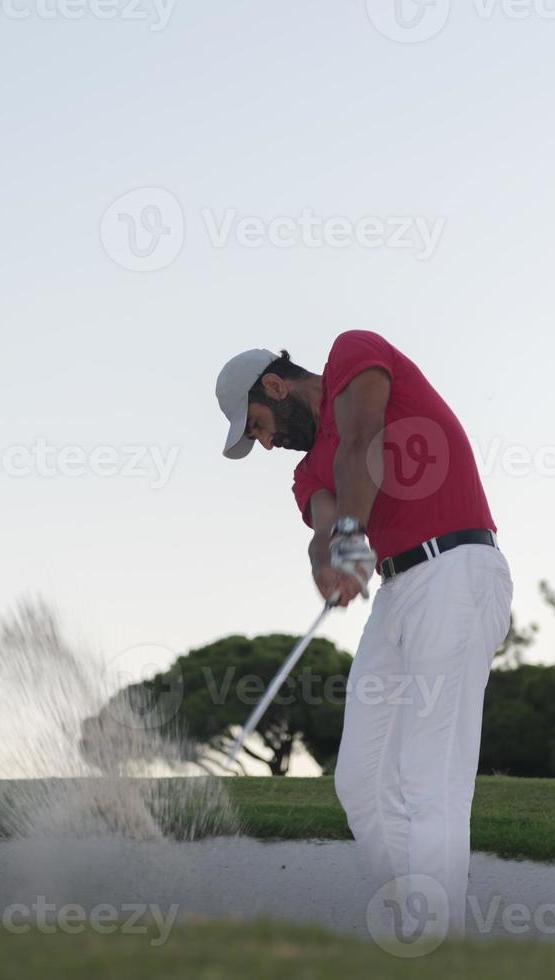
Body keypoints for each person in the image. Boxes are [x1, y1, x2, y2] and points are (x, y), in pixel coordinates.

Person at [215, 330, 513, 939]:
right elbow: (322, 521)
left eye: (259, 425)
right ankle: (416, 924)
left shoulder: (353, 351)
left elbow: (361, 441)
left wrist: (353, 532)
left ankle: (437, 943)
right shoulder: (305, 472)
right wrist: (329, 561)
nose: (266, 443)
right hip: (398, 592)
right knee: (362, 780)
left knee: (429, 775)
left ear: (275, 386)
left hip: (456, 571)